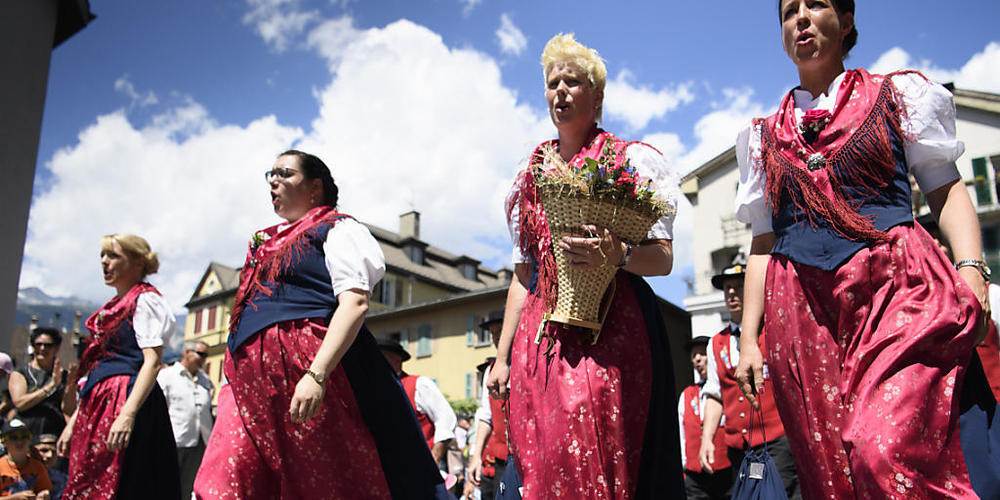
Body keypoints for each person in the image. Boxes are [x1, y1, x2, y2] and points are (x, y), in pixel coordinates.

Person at [732, 1, 990, 497]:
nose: (800, 18)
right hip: (804, 312)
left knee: (882, 450)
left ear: (847, 22)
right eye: (789, 11)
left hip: (896, 292)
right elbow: (762, 245)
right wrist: (748, 340)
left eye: (816, 4)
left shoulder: (895, 96)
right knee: (831, 472)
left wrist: (972, 269)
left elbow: (946, 189)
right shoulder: (760, 136)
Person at [488, 33, 684, 498]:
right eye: (553, 82)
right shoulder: (531, 172)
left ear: (596, 96)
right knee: (545, 447)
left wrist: (618, 255)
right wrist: (500, 355)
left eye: (572, 81)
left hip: (616, 326)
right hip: (543, 332)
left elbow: (664, 260)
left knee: (604, 436)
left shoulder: (632, 160)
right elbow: (523, 274)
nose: (560, 90)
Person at [193, 150, 447, 499]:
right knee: (224, 479)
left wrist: (316, 375)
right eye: (270, 173)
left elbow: (355, 303)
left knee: (318, 483)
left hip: (307, 374)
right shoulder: (263, 243)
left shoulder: (337, 229)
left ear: (315, 188)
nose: (273, 180)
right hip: (248, 384)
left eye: (284, 173)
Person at [57, 233, 179, 499]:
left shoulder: (145, 300)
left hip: (124, 397)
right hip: (99, 400)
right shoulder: (112, 308)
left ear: (137, 263)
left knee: (123, 481)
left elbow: (152, 362)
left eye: (113, 255)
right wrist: (74, 422)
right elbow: (98, 369)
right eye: (103, 255)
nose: (104, 261)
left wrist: (127, 414)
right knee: (88, 479)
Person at [697, 264, 798, 498]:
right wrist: (707, 439)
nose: (732, 293)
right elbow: (715, 394)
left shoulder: (772, 332)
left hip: (777, 441)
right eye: (728, 288)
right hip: (738, 447)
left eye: (740, 287)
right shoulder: (715, 344)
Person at [378, 340, 458, 464]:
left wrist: (434, 457)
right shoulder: (376, 390)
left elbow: (446, 419)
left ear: (397, 360)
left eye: (380, 357)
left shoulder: (419, 384)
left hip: (421, 464)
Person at [156, 340, 213, 499]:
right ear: (186, 353)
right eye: (200, 354)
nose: (204, 359)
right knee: (166, 484)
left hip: (200, 441)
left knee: (189, 488)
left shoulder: (205, 380)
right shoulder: (167, 376)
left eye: (206, 355)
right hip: (175, 440)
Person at [679, 335, 733, 500]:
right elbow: (681, 434)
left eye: (702, 354)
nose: (698, 359)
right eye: (694, 356)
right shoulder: (686, 395)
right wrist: (684, 466)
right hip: (695, 477)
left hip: (726, 472)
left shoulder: (728, 389)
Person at [8, 328, 76, 439]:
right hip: (26, 433)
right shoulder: (21, 373)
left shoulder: (63, 376)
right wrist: (51, 386)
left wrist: (71, 385)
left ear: (57, 348)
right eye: (38, 344)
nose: (42, 348)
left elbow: (68, 409)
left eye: (48, 345)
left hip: (53, 433)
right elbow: (20, 404)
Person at [1, 418, 52, 499]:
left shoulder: (38, 466)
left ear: (30, 440)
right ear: (3, 442)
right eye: (13, 438)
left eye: (24, 437)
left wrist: (44, 495)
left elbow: (44, 490)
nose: (19, 442)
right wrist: (13, 498)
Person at [33, 434, 65, 500]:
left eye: (54, 452)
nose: (49, 455)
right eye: (44, 450)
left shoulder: (63, 480)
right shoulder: (21, 475)